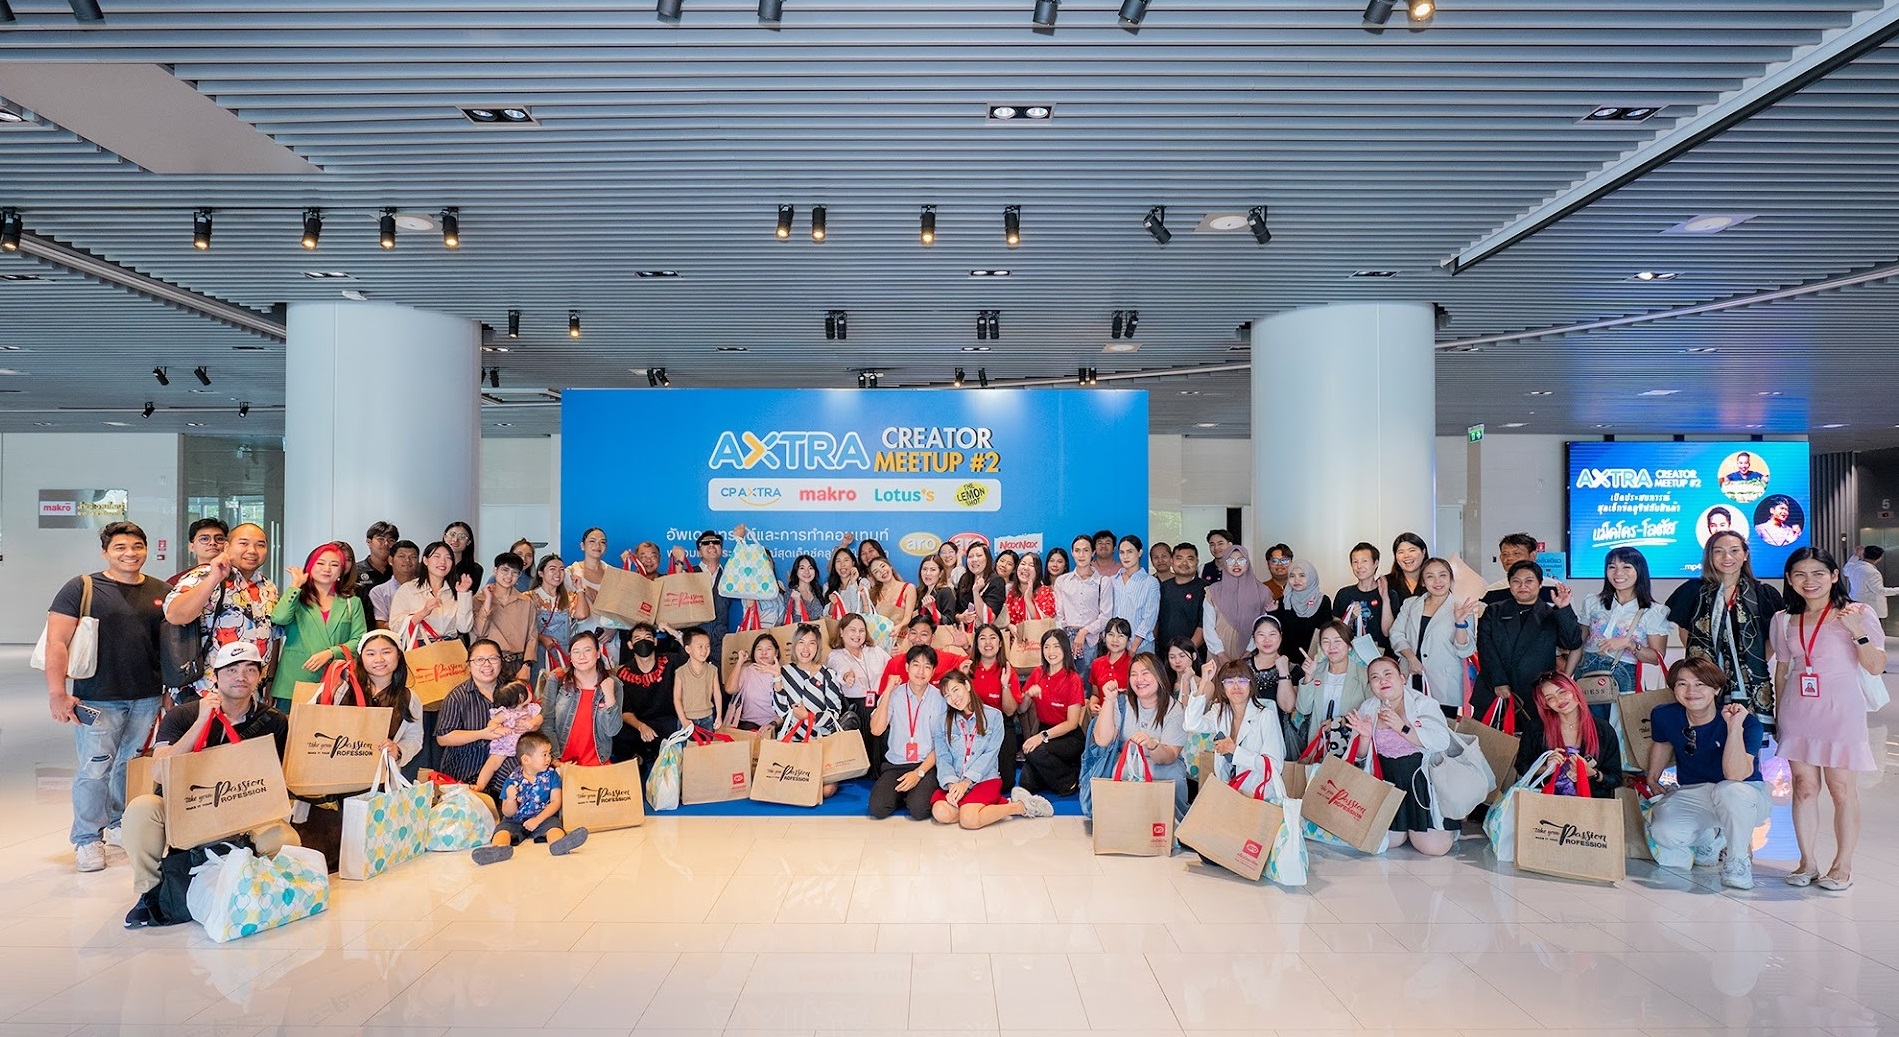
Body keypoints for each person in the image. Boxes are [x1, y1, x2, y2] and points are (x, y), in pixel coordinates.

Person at [120, 642, 295, 926]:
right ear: (216, 676)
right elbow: (159, 772)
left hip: (242, 811)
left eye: (250, 670)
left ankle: (249, 885)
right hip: (186, 807)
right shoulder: (183, 714)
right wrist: (201, 722)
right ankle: (150, 891)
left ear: (259, 677)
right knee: (142, 810)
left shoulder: (274, 721)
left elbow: (278, 778)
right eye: (232, 670)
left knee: (285, 840)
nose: (241, 677)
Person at [44, 520, 170, 873]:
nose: (130, 553)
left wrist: (167, 693)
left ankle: (117, 823)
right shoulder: (82, 587)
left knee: (128, 767)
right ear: (105, 552)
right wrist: (57, 692)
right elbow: (56, 642)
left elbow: (166, 647)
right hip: (96, 698)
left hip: (146, 697)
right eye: (120, 547)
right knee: (95, 768)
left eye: (137, 546)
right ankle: (87, 838)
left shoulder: (160, 590)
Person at [1774, 547, 1883, 891]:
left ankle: (1843, 865)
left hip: (1841, 711)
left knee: (1841, 788)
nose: (1810, 581)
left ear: (1835, 576)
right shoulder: (1783, 619)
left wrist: (1857, 631)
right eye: (1800, 574)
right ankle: (1806, 862)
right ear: (1790, 579)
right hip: (1798, 710)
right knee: (1804, 787)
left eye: (1818, 573)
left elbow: (1875, 666)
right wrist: (1779, 715)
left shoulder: (1858, 612)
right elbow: (1782, 669)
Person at [1646, 657, 1769, 890]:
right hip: (1696, 792)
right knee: (1664, 832)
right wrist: (1652, 777)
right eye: (1682, 684)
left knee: (1728, 790)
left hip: (1744, 794)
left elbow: (1735, 775)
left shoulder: (1747, 723)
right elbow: (1662, 743)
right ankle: (1711, 836)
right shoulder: (1664, 715)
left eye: (1700, 684)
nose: (1691, 691)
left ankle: (1737, 860)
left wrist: (1734, 728)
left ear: (1716, 689)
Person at [1665, 531, 1785, 724]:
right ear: (1710, 556)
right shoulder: (1693, 591)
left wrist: (1753, 662)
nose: (1727, 557)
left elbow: (1772, 637)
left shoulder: (1763, 594)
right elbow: (1685, 632)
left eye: (1734, 550)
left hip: (1750, 679)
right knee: (1706, 731)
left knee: (1747, 736)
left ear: (1745, 555)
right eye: (1718, 551)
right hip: (1704, 679)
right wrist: (1705, 666)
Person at [1347, 656, 1455, 855]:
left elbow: (1442, 741)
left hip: (1420, 783)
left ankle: (1439, 827)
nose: (1382, 680)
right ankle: (1404, 829)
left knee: (1433, 848)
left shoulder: (1423, 704)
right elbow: (1359, 757)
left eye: (1388, 674)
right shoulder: (1369, 707)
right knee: (1388, 842)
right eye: (1375, 677)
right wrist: (1364, 737)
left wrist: (1402, 727)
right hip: (1387, 784)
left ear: (1402, 678)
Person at [164, 521, 280, 699]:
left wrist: (269, 682)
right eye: (243, 543)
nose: (252, 551)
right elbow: (175, 615)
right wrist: (214, 578)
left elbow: (273, 635)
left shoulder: (267, 587)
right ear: (227, 547)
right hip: (206, 691)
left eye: (260, 545)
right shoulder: (204, 574)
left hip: (251, 692)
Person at [931, 672, 1054, 827]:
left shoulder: (994, 716)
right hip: (956, 780)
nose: (953, 698)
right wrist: (952, 784)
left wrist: (967, 782)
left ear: (967, 685)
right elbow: (943, 757)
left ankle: (1020, 806)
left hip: (984, 779)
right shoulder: (943, 721)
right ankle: (981, 810)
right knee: (940, 812)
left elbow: (990, 755)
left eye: (956, 690)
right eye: (947, 696)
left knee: (969, 820)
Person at [1473, 562, 1582, 737]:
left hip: (1535, 693)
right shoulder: (1493, 611)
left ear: (1540, 584)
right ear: (1510, 584)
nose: (1522, 586)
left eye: (1529, 581)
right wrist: (1498, 681)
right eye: (1516, 581)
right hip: (1495, 691)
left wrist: (1563, 609)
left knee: (1533, 745)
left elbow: (1572, 642)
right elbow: (1486, 648)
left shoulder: (1551, 614)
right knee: (1489, 745)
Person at [1569, 546, 1671, 720]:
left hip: (1624, 677)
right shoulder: (1593, 602)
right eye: (1612, 567)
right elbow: (1578, 644)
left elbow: (1657, 658)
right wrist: (1566, 678)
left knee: (1619, 730)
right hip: (1586, 674)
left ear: (1639, 570)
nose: (1618, 573)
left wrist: (1629, 644)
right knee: (1589, 728)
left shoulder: (1654, 611)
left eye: (1626, 567)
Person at [266, 542, 368, 710]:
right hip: (295, 677)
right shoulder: (296, 597)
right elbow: (279, 618)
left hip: (336, 680)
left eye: (334, 565)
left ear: (341, 571)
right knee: (291, 726)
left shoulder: (352, 602)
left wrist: (331, 653)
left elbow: (359, 640)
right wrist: (295, 585)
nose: (327, 569)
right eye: (320, 563)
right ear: (310, 566)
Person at [1092, 652, 1191, 818]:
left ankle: (1174, 825)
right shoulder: (1122, 703)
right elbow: (1102, 740)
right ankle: (1124, 824)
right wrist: (1108, 700)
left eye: (1145, 673)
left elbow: (1169, 756)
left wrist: (1153, 745)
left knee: (1174, 778)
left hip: (1163, 764)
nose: (1139, 679)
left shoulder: (1175, 709)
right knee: (1119, 772)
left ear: (1159, 676)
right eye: (1134, 674)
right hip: (1128, 761)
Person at [435, 639, 538, 794]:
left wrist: (531, 724)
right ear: (469, 665)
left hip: (508, 757)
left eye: (493, 659)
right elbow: (443, 738)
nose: (487, 664)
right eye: (479, 660)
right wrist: (482, 734)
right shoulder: (457, 697)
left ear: (501, 662)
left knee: (527, 775)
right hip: (469, 764)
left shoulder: (513, 688)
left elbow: (534, 713)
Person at [472, 732, 589, 864]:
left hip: (543, 817)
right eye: (544, 755)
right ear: (526, 759)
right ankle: (498, 849)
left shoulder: (552, 775)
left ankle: (559, 844)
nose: (549, 758)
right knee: (502, 830)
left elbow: (556, 802)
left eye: (549, 754)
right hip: (515, 820)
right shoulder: (512, 779)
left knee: (554, 827)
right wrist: (510, 800)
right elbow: (507, 813)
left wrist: (537, 820)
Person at [1389, 557, 1480, 715]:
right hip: (1411, 674)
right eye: (1430, 576)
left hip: (1444, 683)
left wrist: (1460, 623)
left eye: (1442, 575)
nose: (1437, 581)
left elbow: (1464, 650)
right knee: (1411, 722)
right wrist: (1411, 658)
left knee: (1444, 725)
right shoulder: (1410, 604)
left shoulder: (1461, 608)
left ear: (1451, 579)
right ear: (1423, 582)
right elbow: (1396, 634)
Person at [1184, 658, 1288, 795]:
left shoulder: (1266, 716)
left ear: (1251, 685)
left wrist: (1235, 751)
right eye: (1229, 681)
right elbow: (1191, 724)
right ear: (1222, 687)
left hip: (1260, 794)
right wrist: (1204, 682)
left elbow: (1274, 766)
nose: (1236, 686)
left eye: (1242, 681)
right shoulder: (1220, 712)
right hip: (1230, 791)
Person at [1512, 671, 1621, 797]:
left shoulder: (1603, 730)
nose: (1559, 700)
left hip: (1590, 804)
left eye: (1563, 692)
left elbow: (1616, 778)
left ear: (1575, 689)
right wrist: (1545, 768)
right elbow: (1521, 766)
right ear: (1545, 704)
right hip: (1545, 802)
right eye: (1550, 698)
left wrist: (1592, 773)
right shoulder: (1535, 728)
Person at [868, 645, 946, 820]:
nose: (921, 671)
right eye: (916, 665)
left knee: (919, 810)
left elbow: (942, 744)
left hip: (926, 765)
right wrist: (887, 691)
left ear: (933, 671)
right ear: (907, 667)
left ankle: (914, 794)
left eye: (927, 666)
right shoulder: (894, 694)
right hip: (896, 764)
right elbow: (876, 730)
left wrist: (918, 773)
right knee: (878, 808)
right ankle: (906, 794)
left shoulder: (940, 699)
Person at [1018, 630, 1088, 795]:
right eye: (1047, 647)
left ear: (1065, 648)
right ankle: (1056, 769)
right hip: (1045, 729)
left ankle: (1068, 781)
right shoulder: (1038, 673)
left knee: (1035, 750)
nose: (1051, 652)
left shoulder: (1073, 679)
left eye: (1056, 646)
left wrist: (1041, 736)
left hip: (1069, 736)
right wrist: (1028, 695)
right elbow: (1021, 710)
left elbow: (1072, 723)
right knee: (1026, 783)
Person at [546, 631, 625, 767]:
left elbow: (612, 730)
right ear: (570, 657)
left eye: (587, 650)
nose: (581, 656)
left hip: (598, 763)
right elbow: (546, 723)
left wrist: (609, 696)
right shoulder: (557, 680)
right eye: (576, 652)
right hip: (561, 762)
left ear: (598, 653)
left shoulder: (613, 684)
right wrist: (555, 760)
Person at [1290, 621, 1372, 751]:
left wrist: (1339, 722)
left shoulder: (1364, 675)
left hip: (1349, 745)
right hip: (1317, 744)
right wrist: (1309, 676)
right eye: (1326, 641)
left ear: (1349, 646)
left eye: (1337, 641)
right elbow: (1304, 709)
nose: (1332, 646)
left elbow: (1371, 712)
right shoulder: (1316, 671)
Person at [613, 623, 682, 773]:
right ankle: (638, 761)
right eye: (637, 639)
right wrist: (641, 726)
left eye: (648, 637)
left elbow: (692, 653)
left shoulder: (669, 660)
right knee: (617, 732)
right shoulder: (624, 673)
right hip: (639, 724)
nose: (643, 642)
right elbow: (625, 711)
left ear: (655, 641)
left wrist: (671, 631)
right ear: (630, 645)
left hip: (667, 722)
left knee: (678, 728)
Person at [387, 541, 474, 645]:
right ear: (425, 560)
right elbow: (395, 627)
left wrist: (463, 594)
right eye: (437, 556)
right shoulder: (408, 589)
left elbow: (464, 628)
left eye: (448, 558)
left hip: (450, 646)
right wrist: (423, 613)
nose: (442, 561)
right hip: (419, 646)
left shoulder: (455, 590)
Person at [968, 624, 1022, 789]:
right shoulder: (968, 668)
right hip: (973, 725)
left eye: (992, 638)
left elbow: (1010, 711)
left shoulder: (1008, 670)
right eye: (982, 638)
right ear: (976, 644)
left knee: (1005, 784)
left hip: (1001, 725)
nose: (987, 643)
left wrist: (1005, 686)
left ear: (1000, 643)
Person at [1053, 534, 1113, 674]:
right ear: (1072, 553)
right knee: (1064, 680)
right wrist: (1065, 636)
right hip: (1065, 640)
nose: (1081, 555)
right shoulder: (1062, 581)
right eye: (1077, 550)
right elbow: (1058, 614)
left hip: (1090, 641)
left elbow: (1105, 617)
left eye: (1086, 550)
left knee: (1086, 682)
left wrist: (1084, 632)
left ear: (1093, 552)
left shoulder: (1103, 582)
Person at [474, 552, 537, 683]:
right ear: (495, 570)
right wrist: (488, 600)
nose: (509, 576)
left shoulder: (526, 602)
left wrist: (527, 665)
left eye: (515, 572)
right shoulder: (479, 600)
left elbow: (532, 637)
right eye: (505, 570)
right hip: (488, 664)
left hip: (517, 664)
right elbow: (480, 631)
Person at [828, 612, 891, 740]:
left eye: (861, 630)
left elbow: (891, 665)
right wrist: (847, 676)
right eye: (852, 630)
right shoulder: (836, 655)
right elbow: (840, 667)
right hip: (856, 709)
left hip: (880, 705)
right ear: (841, 632)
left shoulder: (875, 650)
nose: (857, 634)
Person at [1206, 545, 1271, 664]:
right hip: (1218, 654)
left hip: (1253, 653)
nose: (1236, 564)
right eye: (1230, 560)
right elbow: (1208, 627)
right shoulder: (1212, 591)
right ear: (1224, 564)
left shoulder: (1262, 592)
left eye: (1241, 560)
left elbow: (1263, 624)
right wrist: (1221, 655)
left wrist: (1248, 652)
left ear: (1247, 562)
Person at [531, 553, 587, 681]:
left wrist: (579, 589)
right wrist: (540, 637)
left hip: (563, 654)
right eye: (552, 569)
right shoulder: (528, 597)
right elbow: (520, 630)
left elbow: (582, 614)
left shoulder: (568, 597)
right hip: (537, 654)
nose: (558, 573)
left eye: (561, 570)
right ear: (540, 573)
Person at [1271, 559, 1331, 672]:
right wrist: (1271, 612)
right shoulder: (1282, 602)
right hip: (1287, 663)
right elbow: (1274, 631)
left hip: (1314, 661)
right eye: (1292, 576)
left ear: (1311, 577)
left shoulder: (1322, 601)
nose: (1296, 580)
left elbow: (1325, 632)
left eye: (1302, 575)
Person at [1109, 534, 1161, 653]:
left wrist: (1134, 646)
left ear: (1139, 552)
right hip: (1115, 645)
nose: (1125, 556)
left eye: (1130, 552)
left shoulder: (1150, 582)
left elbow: (1149, 618)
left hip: (1141, 646)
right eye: (1122, 552)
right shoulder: (1113, 581)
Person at [1333, 541, 1388, 652]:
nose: (1359, 566)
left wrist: (1385, 598)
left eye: (1364, 561)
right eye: (1355, 562)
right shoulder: (1344, 594)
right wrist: (1351, 618)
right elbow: (1336, 633)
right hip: (1351, 653)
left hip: (1380, 653)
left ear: (1376, 563)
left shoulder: (1389, 594)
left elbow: (1387, 632)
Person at [1155, 543, 1207, 655]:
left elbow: (1204, 626)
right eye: (1179, 558)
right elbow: (1156, 621)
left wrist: (1185, 653)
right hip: (1163, 654)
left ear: (1197, 562)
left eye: (1190, 559)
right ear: (1172, 561)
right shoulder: (1163, 587)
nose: (1184, 563)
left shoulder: (1206, 589)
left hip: (1192, 655)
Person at [673, 627, 723, 734]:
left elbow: (717, 693)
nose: (704, 651)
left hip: (707, 717)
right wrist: (683, 720)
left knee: (706, 744)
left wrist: (719, 716)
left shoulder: (713, 670)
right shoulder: (680, 672)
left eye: (707, 646)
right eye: (700, 647)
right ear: (688, 649)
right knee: (686, 745)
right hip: (687, 719)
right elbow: (677, 698)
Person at [567, 527, 613, 644]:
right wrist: (582, 590)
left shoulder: (612, 573)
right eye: (592, 541)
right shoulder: (571, 572)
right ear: (582, 545)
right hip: (581, 640)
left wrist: (614, 629)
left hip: (610, 641)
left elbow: (621, 609)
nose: (597, 545)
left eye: (602, 542)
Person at [728, 636, 784, 731]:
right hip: (748, 725)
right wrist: (740, 662)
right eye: (759, 649)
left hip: (776, 725)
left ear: (776, 653)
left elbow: (789, 708)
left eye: (768, 649)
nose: (764, 653)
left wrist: (774, 724)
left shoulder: (784, 673)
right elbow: (730, 690)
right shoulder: (746, 671)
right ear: (753, 652)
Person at [1380, 532, 1429, 638]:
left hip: (1427, 643)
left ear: (1423, 552)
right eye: (1401, 552)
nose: (1406, 556)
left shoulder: (1434, 582)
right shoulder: (1386, 583)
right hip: (1393, 644)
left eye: (1412, 550)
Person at [1482, 533, 1555, 603]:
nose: (1509, 558)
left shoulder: (1554, 588)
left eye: (1516, 553)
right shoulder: (1492, 590)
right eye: (1505, 554)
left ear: (1532, 555)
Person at [370, 539, 420, 629]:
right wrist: (413, 623)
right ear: (390, 560)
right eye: (401, 556)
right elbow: (381, 625)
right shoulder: (379, 592)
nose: (407, 560)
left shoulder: (426, 588)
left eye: (413, 557)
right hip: (392, 637)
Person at [954, 541, 1006, 626]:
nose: (974, 560)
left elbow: (988, 619)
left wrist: (976, 592)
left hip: (985, 633)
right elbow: (956, 611)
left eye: (979, 556)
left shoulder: (997, 581)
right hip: (965, 632)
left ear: (987, 559)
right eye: (970, 556)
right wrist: (961, 617)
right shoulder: (964, 579)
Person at [354, 521, 400, 612]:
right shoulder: (355, 571)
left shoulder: (399, 571)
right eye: (381, 539)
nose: (386, 543)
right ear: (368, 542)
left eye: (391, 540)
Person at [1844, 545, 1899, 620]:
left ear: (1863, 554)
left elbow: (1846, 569)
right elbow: (1880, 591)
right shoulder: (1872, 572)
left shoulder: (1853, 567)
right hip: (1870, 608)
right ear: (1879, 558)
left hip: (1856, 604)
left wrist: (1856, 555)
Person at [1005, 549, 1057, 626]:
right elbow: (1004, 620)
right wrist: (1009, 626)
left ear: (1038, 571)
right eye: (1023, 564)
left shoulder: (1045, 592)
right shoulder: (1011, 592)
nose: (1026, 568)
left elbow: (1044, 623)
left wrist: (1028, 600)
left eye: (1031, 565)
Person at [171, 518, 229, 585]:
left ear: (227, 545)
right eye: (204, 539)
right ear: (192, 546)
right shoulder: (176, 581)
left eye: (219, 539)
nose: (212, 543)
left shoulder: (236, 577)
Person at [870, 556, 918, 633]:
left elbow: (907, 617)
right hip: (881, 637)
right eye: (876, 572)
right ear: (875, 578)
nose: (882, 571)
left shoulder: (908, 588)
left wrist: (899, 627)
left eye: (883, 566)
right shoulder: (874, 594)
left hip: (902, 636)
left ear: (890, 567)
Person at [1090, 618, 1134, 701]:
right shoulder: (1096, 663)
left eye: (1121, 636)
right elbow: (1095, 695)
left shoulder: (1133, 664)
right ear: (1105, 637)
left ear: (1128, 640)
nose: (1115, 640)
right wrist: (1093, 704)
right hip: (1102, 708)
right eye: (1111, 634)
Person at [826, 545, 874, 616]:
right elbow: (825, 614)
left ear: (853, 563)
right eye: (838, 561)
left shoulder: (863, 582)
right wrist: (833, 605)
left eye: (846, 560)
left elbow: (857, 610)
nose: (842, 564)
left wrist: (853, 583)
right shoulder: (829, 585)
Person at [784, 553, 827, 627]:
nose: (807, 572)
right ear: (796, 571)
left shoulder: (818, 590)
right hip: (799, 633)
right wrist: (797, 603)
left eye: (810, 568)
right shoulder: (790, 593)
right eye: (802, 568)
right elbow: (793, 626)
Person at [444, 521, 484, 589]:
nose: (455, 540)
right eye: (452, 534)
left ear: (468, 542)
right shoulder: (432, 564)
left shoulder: (475, 570)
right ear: (445, 537)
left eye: (462, 537)